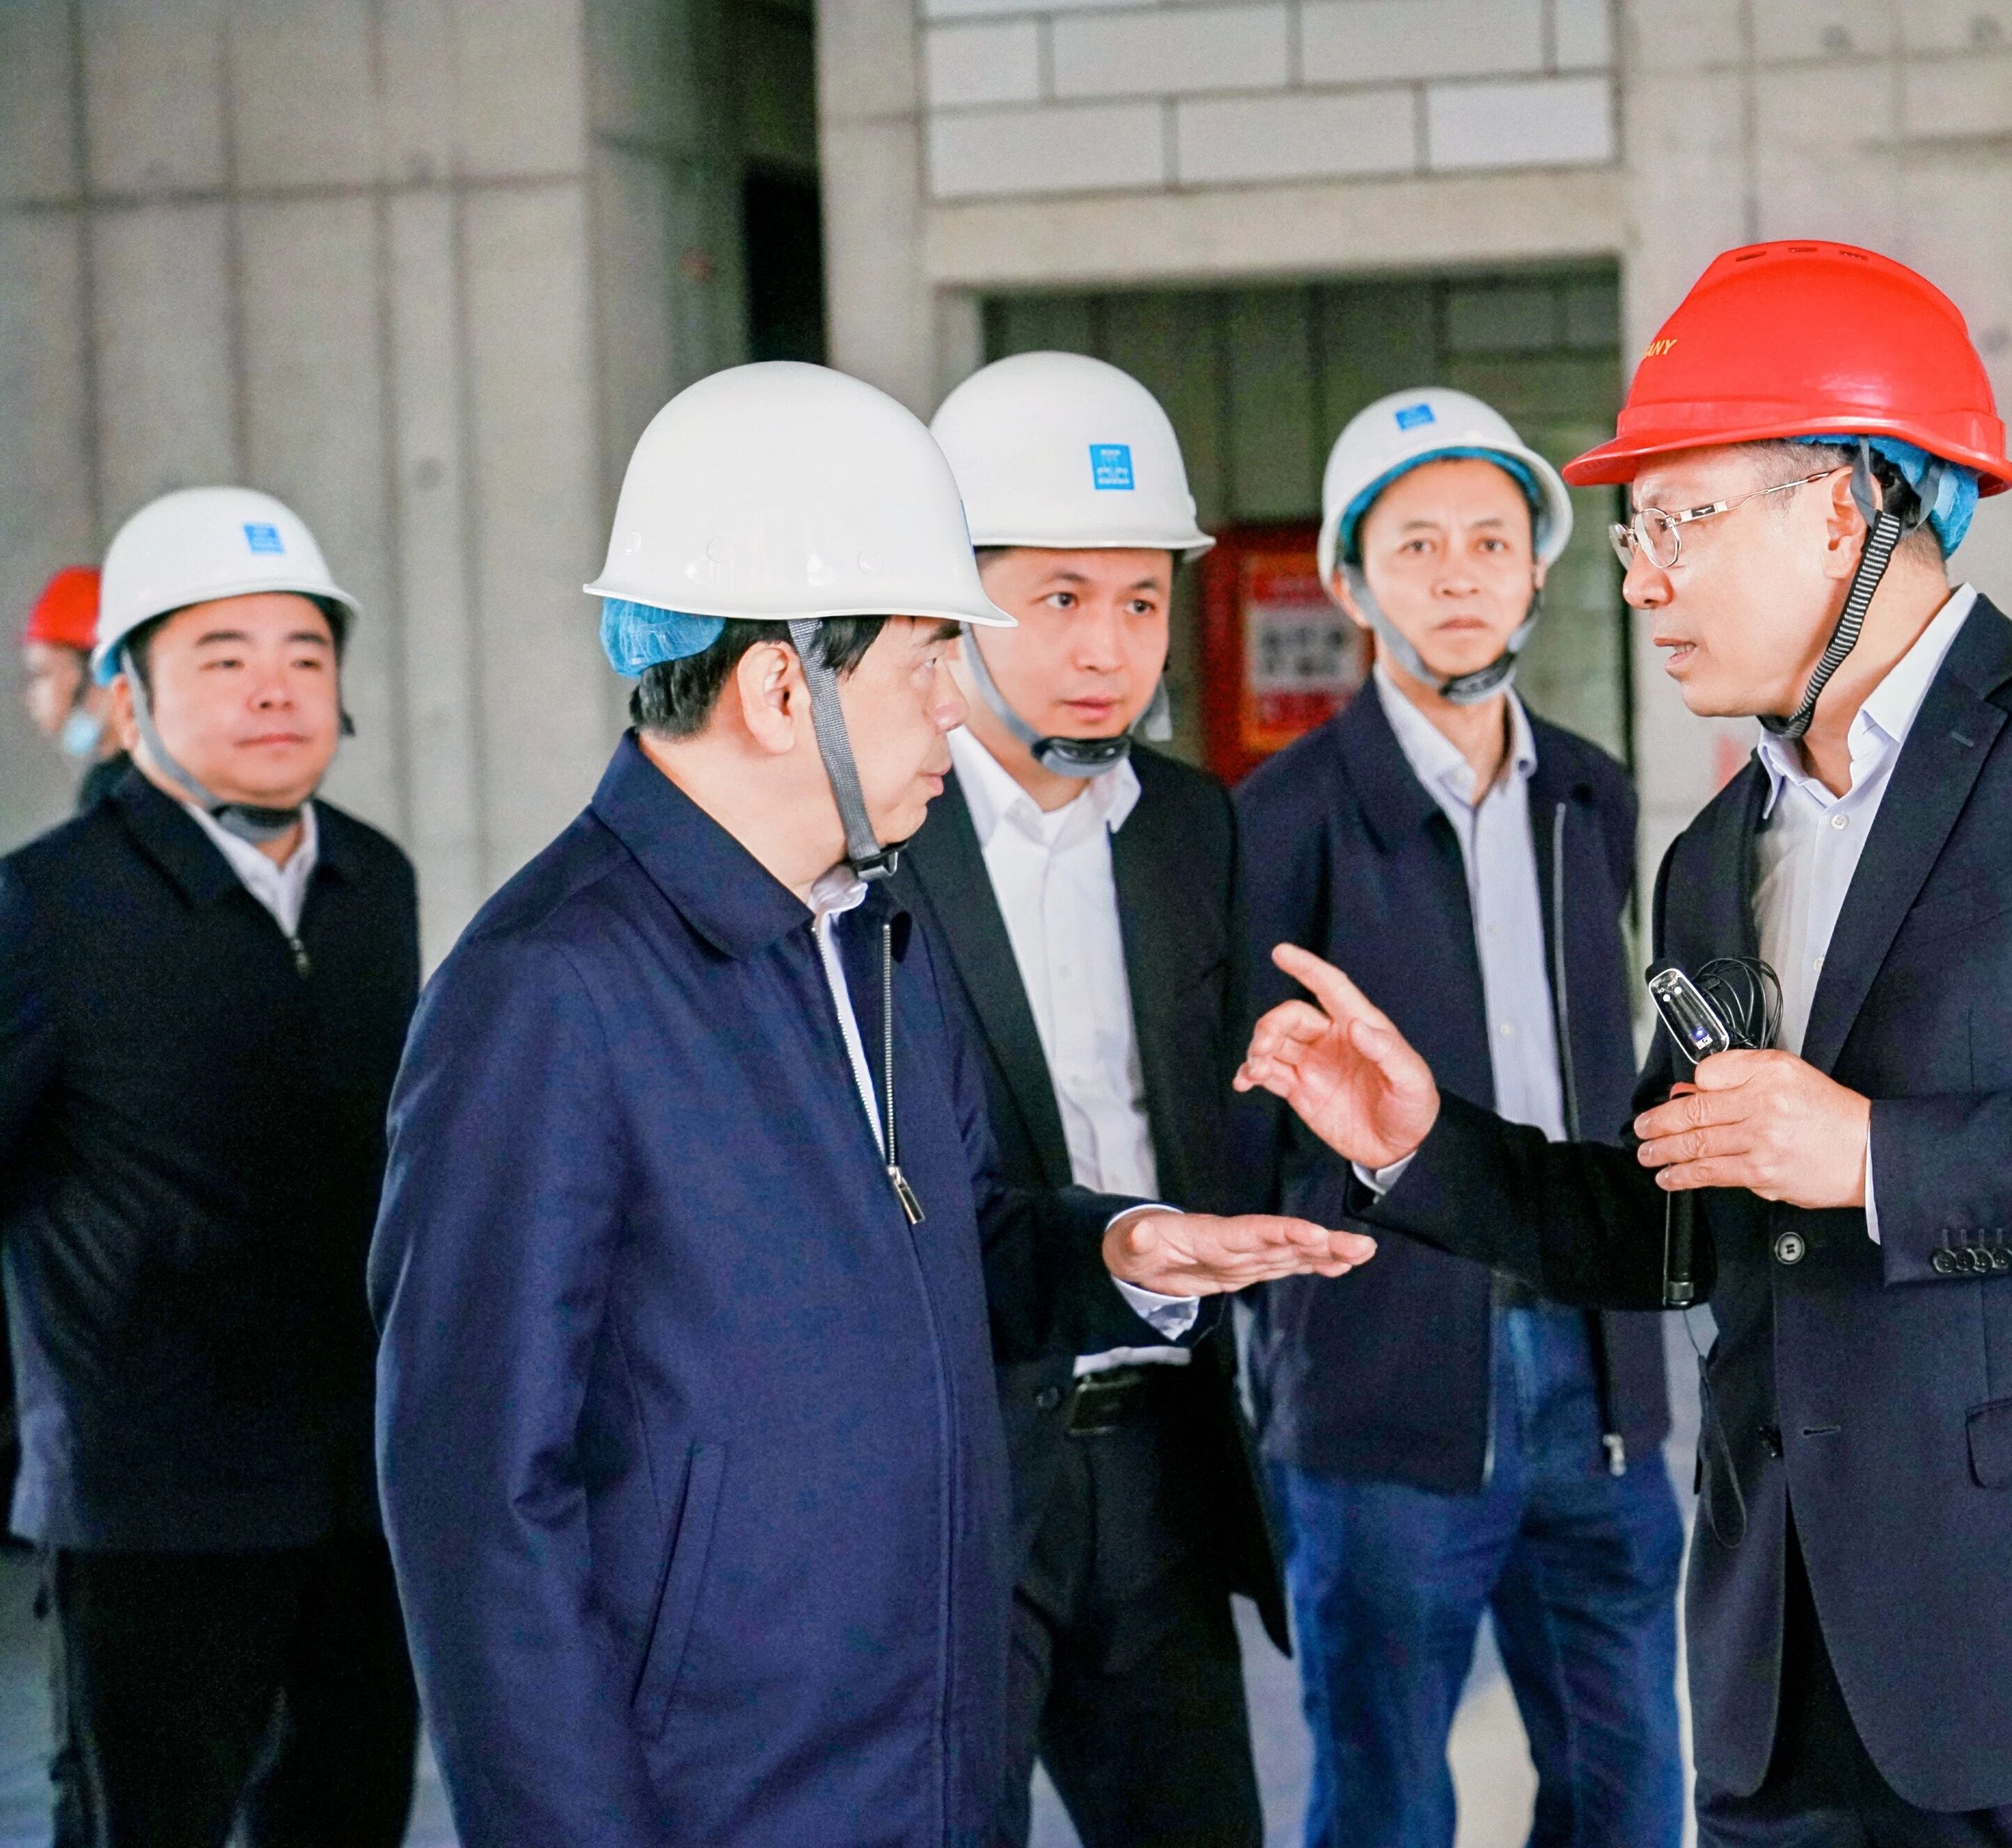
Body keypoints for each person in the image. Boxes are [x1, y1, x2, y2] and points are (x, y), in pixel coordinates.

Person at [1238, 242, 2012, 1847]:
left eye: (1677, 522)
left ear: (1842, 509)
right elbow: (1681, 1221)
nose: (1639, 581)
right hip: (1787, 1681)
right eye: (1634, 535)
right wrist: (1423, 1144)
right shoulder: (1716, 853)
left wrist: (1875, 1155)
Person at [368, 360, 1369, 1847]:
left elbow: (958, 1237)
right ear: (784, 690)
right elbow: (477, 1503)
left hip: (921, 1746)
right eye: (924, 661)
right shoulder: (546, 994)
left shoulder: (865, 931)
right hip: (724, 1796)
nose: (956, 710)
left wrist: (1120, 1250)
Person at [1236, 386, 1681, 1848]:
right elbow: (1243, 1121)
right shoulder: (1280, 817)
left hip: (1595, 1376)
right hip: (1384, 1382)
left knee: (1630, 1792)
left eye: (1489, 539)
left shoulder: (1591, 797)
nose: (1456, 574)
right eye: (1413, 544)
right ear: (1351, 582)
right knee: (1383, 1802)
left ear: (1536, 570)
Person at [0, 487, 421, 1847]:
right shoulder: (44, 904)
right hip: (152, 1505)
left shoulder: (375, 882)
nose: (274, 689)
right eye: (222, 657)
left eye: (305, 654)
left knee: (346, 1814)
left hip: (359, 1486)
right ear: (127, 697)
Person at [905, 351, 1284, 1847]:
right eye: (1057, 597)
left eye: (1138, 601)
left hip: (1162, 1451)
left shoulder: (1191, 829)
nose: (1104, 648)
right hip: (953, 1469)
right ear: (955, 596)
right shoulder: (877, 835)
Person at [19, 567, 129, 810]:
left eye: (42, 673)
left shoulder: (120, 790)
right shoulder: (111, 781)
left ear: (98, 672)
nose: (30, 697)